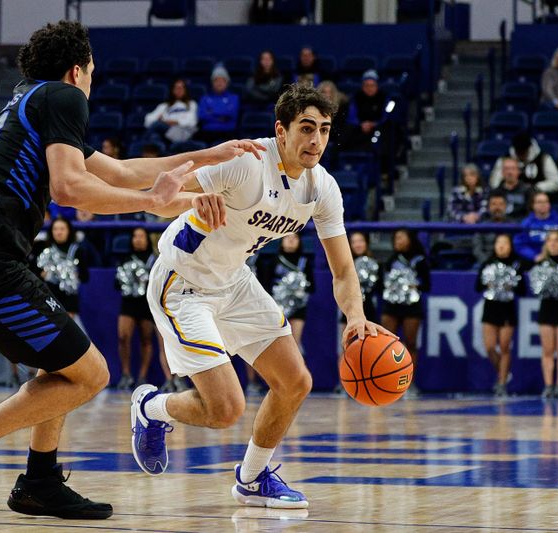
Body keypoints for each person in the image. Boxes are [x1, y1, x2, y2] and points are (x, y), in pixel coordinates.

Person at [0, 19, 261, 520]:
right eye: (92, 73)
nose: (92, 83)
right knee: (91, 374)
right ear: (77, 70)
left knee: (60, 364)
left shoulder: (30, 102)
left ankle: (39, 480)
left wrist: (208, 156)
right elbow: (70, 190)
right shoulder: (63, 98)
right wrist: (151, 203)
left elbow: (121, 172)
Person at [129, 83, 391, 509]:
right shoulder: (244, 162)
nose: (316, 140)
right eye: (307, 128)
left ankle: (251, 479)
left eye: (324, 130)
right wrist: (194, 197)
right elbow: (157, 202)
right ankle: (151, 408)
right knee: (225, 409)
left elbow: (343, 269)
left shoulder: (322, 188)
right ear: (281, 131)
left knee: (295, 382)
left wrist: (356, 315)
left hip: (234, 282)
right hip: (183, 283)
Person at [475, 234, 527, 397]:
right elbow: (477, 286)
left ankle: (502, 383)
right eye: (499, 243)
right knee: (490, 347)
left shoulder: (516, 265)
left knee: (504, 347)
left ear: (510, 246)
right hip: (490, 307)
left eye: (505, 243)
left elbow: (523, 290)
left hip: (507, 308)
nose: (501, 246)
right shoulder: (487, 264)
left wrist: (511, 285)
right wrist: (488, 283)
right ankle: (503, 373)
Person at [380, 229, 430, 397]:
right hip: (391, 305)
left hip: (412, 306)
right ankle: (386, 381)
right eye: (395, 238)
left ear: (410, 239)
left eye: (401, 237)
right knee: (387, 344)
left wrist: (414, 286)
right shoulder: (391, 260)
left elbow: (427, 285)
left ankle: (409, 382)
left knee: (410, 344)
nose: (398, 241)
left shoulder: (420, 260)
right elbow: (382, 284)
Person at [335, 231, 379, 394]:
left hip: (369, 311)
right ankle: (344, 383)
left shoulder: (375, 263)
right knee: (345, 347)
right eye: (354, 242)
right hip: (347, 311)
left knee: (371, 350)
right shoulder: (345, 265)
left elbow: (380, 289)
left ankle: (372, 382)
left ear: (366, 243)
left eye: (361, 240)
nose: (358, 244)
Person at [114, 227, 158, 390]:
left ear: (147, 239)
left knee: (146, 339)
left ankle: (142, 376)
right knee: (123, 337)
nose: (138, 239)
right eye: (135, 236)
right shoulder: (125, 258)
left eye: (142, 236)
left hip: (147, 304)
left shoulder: (155, 260)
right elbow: (116, 283)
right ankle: (126, 374)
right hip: (128, 302)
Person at [530, 230, 558, 399]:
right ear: (546, 244)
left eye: (556, 240)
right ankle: (548, 385)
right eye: (550, 240)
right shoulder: (540, 265)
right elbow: (535, 289)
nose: (553, 243)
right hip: (547, 308)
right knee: (547, 349)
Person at [29, 217, 88, 318]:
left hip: (68, 297)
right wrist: (43, 274)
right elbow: (33, 272)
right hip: (47, 296)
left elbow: (85, 277)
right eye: (55, 229)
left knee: (67, 330)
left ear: (69, 230)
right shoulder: (42, 248)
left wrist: (75, 276)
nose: (58, 232)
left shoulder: (77, 250)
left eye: (62, 229)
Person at [269, 232, 314, 356]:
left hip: (298, 308)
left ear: (299, 241)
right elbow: (266, 285)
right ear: (281, 241)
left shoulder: (304, 261)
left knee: (294, 343)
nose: (291, 240)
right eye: (287, 237)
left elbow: (312, 287)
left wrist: (300, 289)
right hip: (278, 308)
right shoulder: (274, 260)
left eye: (294, 237)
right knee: (276, 343)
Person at [489, 132, 558, 194]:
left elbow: (556, 182)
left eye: (523, 153)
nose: (521, 156)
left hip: (534, 198)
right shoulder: (504, 159)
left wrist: (535, 188)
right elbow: (494, 184)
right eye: (519, 153)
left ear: (529, 149)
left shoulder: (543, 159)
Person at [514, 191, 558, 261]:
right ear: (533, 205)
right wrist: (534, 256)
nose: (543, 204)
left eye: (546, 202)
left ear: (549, 204)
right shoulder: (526, 223)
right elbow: (520, 244)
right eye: (539, 202)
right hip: (534, 260)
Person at [345, 70, 390, 151]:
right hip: (359, 127)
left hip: (378, 127)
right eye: (367, 85)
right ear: (362, 86)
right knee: (347, 130)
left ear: (377, 86)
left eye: (372, 85)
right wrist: (361, 124)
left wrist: (374, 124)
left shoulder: (384, 97)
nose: (369, 88)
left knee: (386, 131)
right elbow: (351, 116)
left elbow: (386, 116)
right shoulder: (356, 97)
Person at [144, 79, 198, 144]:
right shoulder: (164, 106)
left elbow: (193, 121)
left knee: (157, 126)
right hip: (165, 130)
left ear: (185, 90)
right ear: (172, 90)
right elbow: (148, 121)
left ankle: (142, 145)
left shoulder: (191, 104)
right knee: (155, 136)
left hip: (182, 131)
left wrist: (176, 122)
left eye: (181, 88)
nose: (179, 90)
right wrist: (158, 118)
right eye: (176, 88)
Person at [198, 64, 240, 144]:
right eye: (216, 80)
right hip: (208, 134)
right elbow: (202, 115)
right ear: (212, 82)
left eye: (222, 80)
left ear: (227, 82)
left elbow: (232, 114)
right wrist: (222, 117)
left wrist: (211, 112)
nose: (219, 83)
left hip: (228, 133)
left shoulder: (234, 98)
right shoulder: (205, 98)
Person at [473, 192, 516, 262]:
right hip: (485, 263)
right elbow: (477, 250)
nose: (497, 207)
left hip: (509, 262)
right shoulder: (481, 227)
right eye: (494, 204)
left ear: (505, 206)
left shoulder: (513, 226)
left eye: (500, 204)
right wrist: (488, 263)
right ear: (488, 207)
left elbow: (517, 248)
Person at [316, 80, 348, 151]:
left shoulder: (342, 106)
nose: (327, 95)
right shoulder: (314, 108)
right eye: (324, 92)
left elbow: (341, 126)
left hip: (336, 136)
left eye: (330, 92)